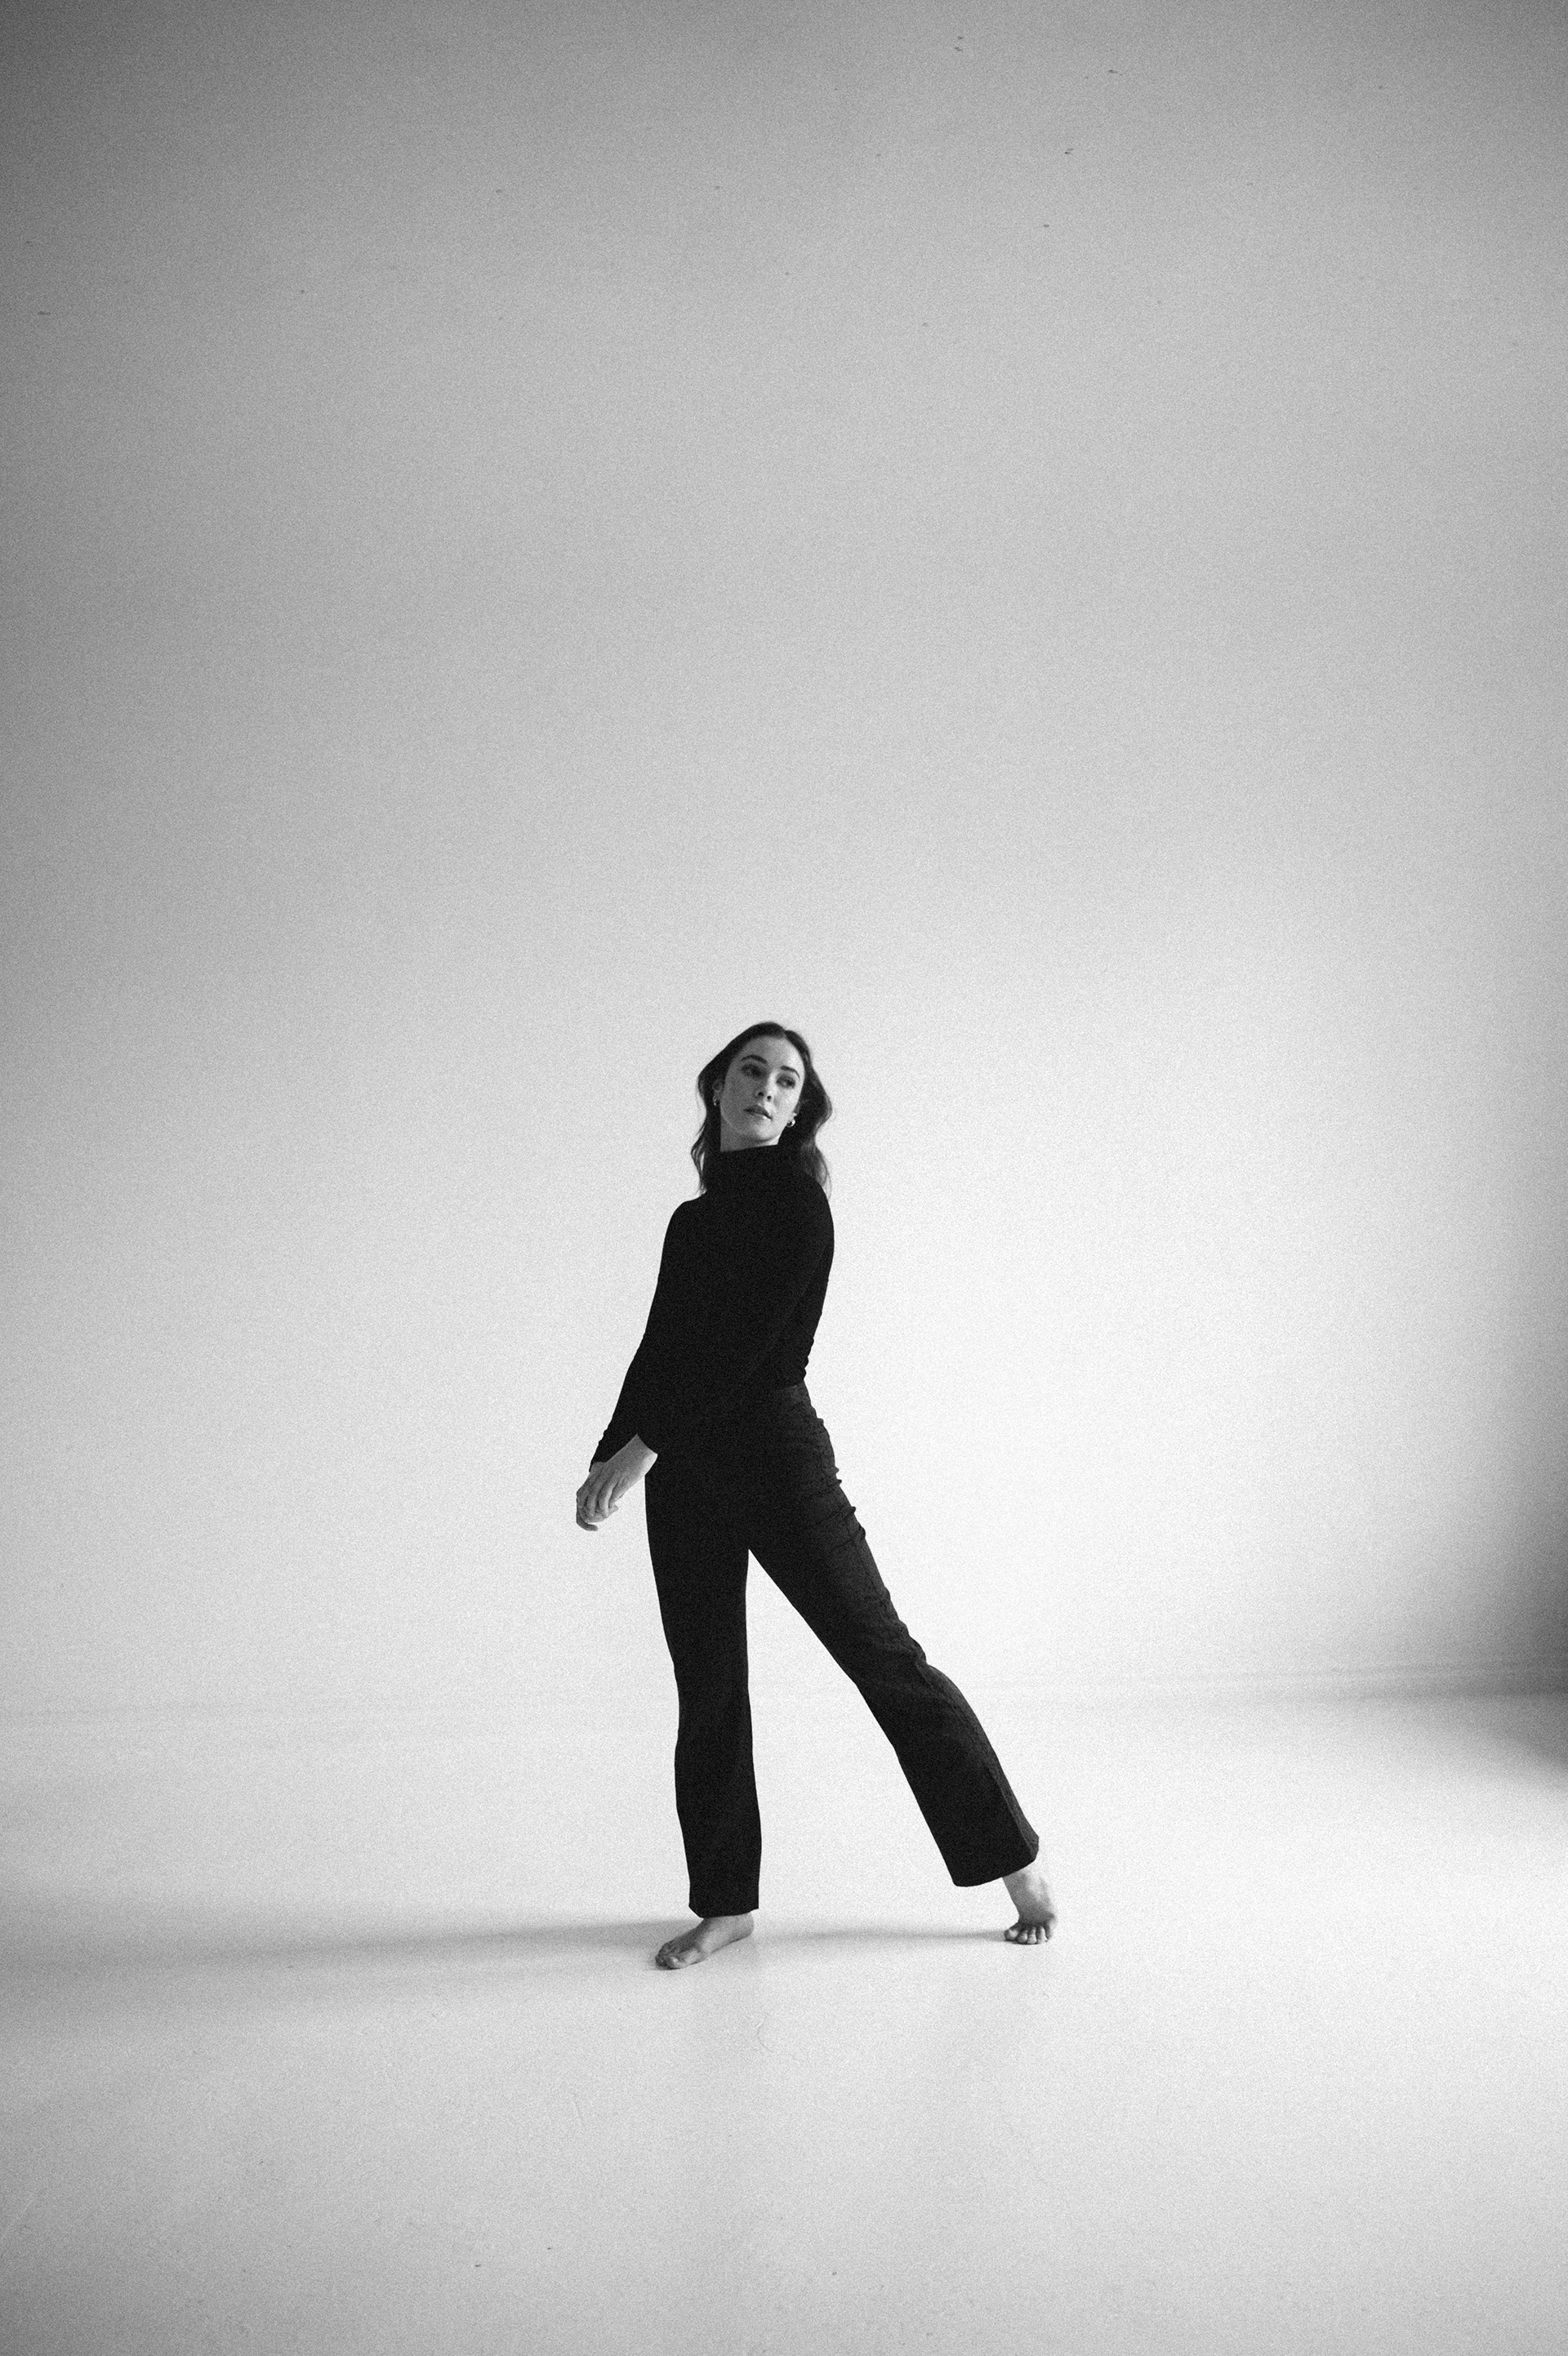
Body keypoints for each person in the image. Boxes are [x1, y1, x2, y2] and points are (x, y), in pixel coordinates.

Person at [576, 1021, 1055, 1969]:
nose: (766, 1086)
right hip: (687, 1472)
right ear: (718, 1086)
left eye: (786, 1079)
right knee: (708, 1685)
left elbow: (747, 1348)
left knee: (884, 1657)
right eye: (752, 1069)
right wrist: (611, 1455)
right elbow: (663, 1347)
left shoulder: (798, 1205)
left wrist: (642, 1448)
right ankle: (725, 1903)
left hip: (777, 1459)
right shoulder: (690, 1222)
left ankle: (1015, 1860)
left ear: (799, 1108)